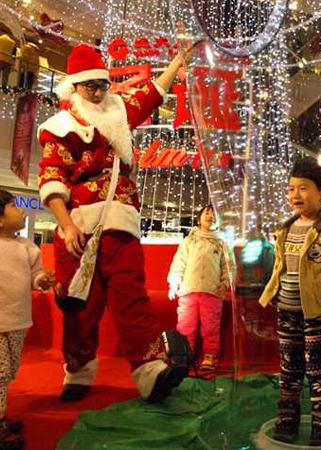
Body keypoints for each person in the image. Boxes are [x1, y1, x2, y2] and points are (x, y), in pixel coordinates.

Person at [37, 44, 193, 403]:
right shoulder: (58, 127)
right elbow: (51, 179)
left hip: (121, 224)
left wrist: (175, 63)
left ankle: (151, 371)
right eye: (88, 85)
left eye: (101, 84)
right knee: (80, 306)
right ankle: (77, 370)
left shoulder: (118, 111)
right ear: (74, 86)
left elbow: (151, 95)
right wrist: (67, 226)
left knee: (132, 300)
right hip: (78, 230)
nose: (96, 91)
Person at [259, 158, 321, 446]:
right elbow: (281, 267)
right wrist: (272, 294)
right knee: (289, 368)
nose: (295, 195)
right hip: (287, 311)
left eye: (303, 188)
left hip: (318, 312)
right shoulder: (286, 229)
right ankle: (287, 420)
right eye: (291, 189)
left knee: (318, 369)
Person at [0, 189, 54, 450]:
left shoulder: (27, 246)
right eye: (13, 205)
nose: (21, 209)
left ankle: (1, 416)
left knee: (9, 371)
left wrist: (42, 280)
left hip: (18, 319)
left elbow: (37, 275)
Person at [167, 204, 231, 379]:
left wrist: (224, 283)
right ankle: (185, 358)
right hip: (188, 291)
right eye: (207, 213)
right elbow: (179, 262)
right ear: (198, 218)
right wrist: (174, 282)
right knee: (185, 327)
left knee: (210, 328)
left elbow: (228, 267)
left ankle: (210, 360)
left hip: (211, 293)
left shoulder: (221, 243)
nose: (210, 216)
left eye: (214, 214)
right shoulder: (190, 241)